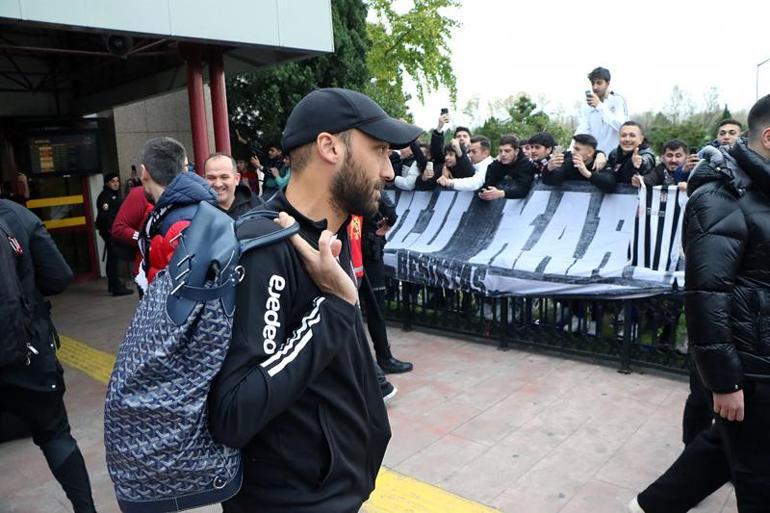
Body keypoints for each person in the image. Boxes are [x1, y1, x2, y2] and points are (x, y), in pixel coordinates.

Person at [208, 87, 421, 513]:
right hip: (293, 501)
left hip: (332, 490)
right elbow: (233, 411)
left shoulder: (324, 233)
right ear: (329, 146)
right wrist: (336, 309)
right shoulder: (265, 245)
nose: (388, 171)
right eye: (378, 150)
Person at [630, 94, 770, 513]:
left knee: (719, 451)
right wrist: (724, 383)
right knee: (758, 476)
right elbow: (706, 295)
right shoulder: (721, 197)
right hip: (750, 366)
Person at [0, 199, 98, 513]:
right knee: (55, 434)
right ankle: (86, 509)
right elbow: (58, 276)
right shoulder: (17, 215)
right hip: (28, 355)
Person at [137, 137, 217, 288]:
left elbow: (188, 292)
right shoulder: (176, 212)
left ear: (144, 172)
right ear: (184, 168)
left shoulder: (180, 222)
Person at [575, 66, 629, 155]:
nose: (595, 87)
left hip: (614, 156)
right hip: (595, 157)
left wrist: (599, 106)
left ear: (607, 84)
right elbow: (583, 130)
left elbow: (622, 127)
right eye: (593, 83)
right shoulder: (587, 105)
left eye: (599, 83)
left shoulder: (618, 100)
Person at [95, 173, 133, 296]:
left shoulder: (113, 195)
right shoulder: (105, 197)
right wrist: (110, 232)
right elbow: (104, 217)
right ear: (107, 183)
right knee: (113, 259)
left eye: (117, 181)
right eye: (112, 181)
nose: (116, 183)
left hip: (113, 231)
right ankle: (115, 286)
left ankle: (114, 284)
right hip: (110, 232)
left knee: (113, 258)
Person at [543, 134, 615, 193]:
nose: (573, 152)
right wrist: (549, 169)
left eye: (577, 149)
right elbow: (553, 181)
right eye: (573, 148)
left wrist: (587, 174)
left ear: (590, 152)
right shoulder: (569, 161)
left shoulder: (600, 162)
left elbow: (610, 184)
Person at [204, 152, 263, 219]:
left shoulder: (255, 204)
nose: (218, 184)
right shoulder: (197, 212)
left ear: (237, 179)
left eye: (224, 177)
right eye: (211, 178)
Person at [479, 134, 536, 200]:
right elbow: (488, 184)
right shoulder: (497, 164)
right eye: (500, 151)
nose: (503, 154)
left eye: (507, 151)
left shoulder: (526, 164)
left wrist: (501, 193)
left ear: (516, 151)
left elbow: (523, 189)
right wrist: (484, 193)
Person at [607, 121, 656, 188]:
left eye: (632, 136)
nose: (627, 139)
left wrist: (639, 163)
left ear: (641, 139)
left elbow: (646, 162)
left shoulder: (646, 154)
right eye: (624, 135)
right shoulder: (613, 154)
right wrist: (599, 154)